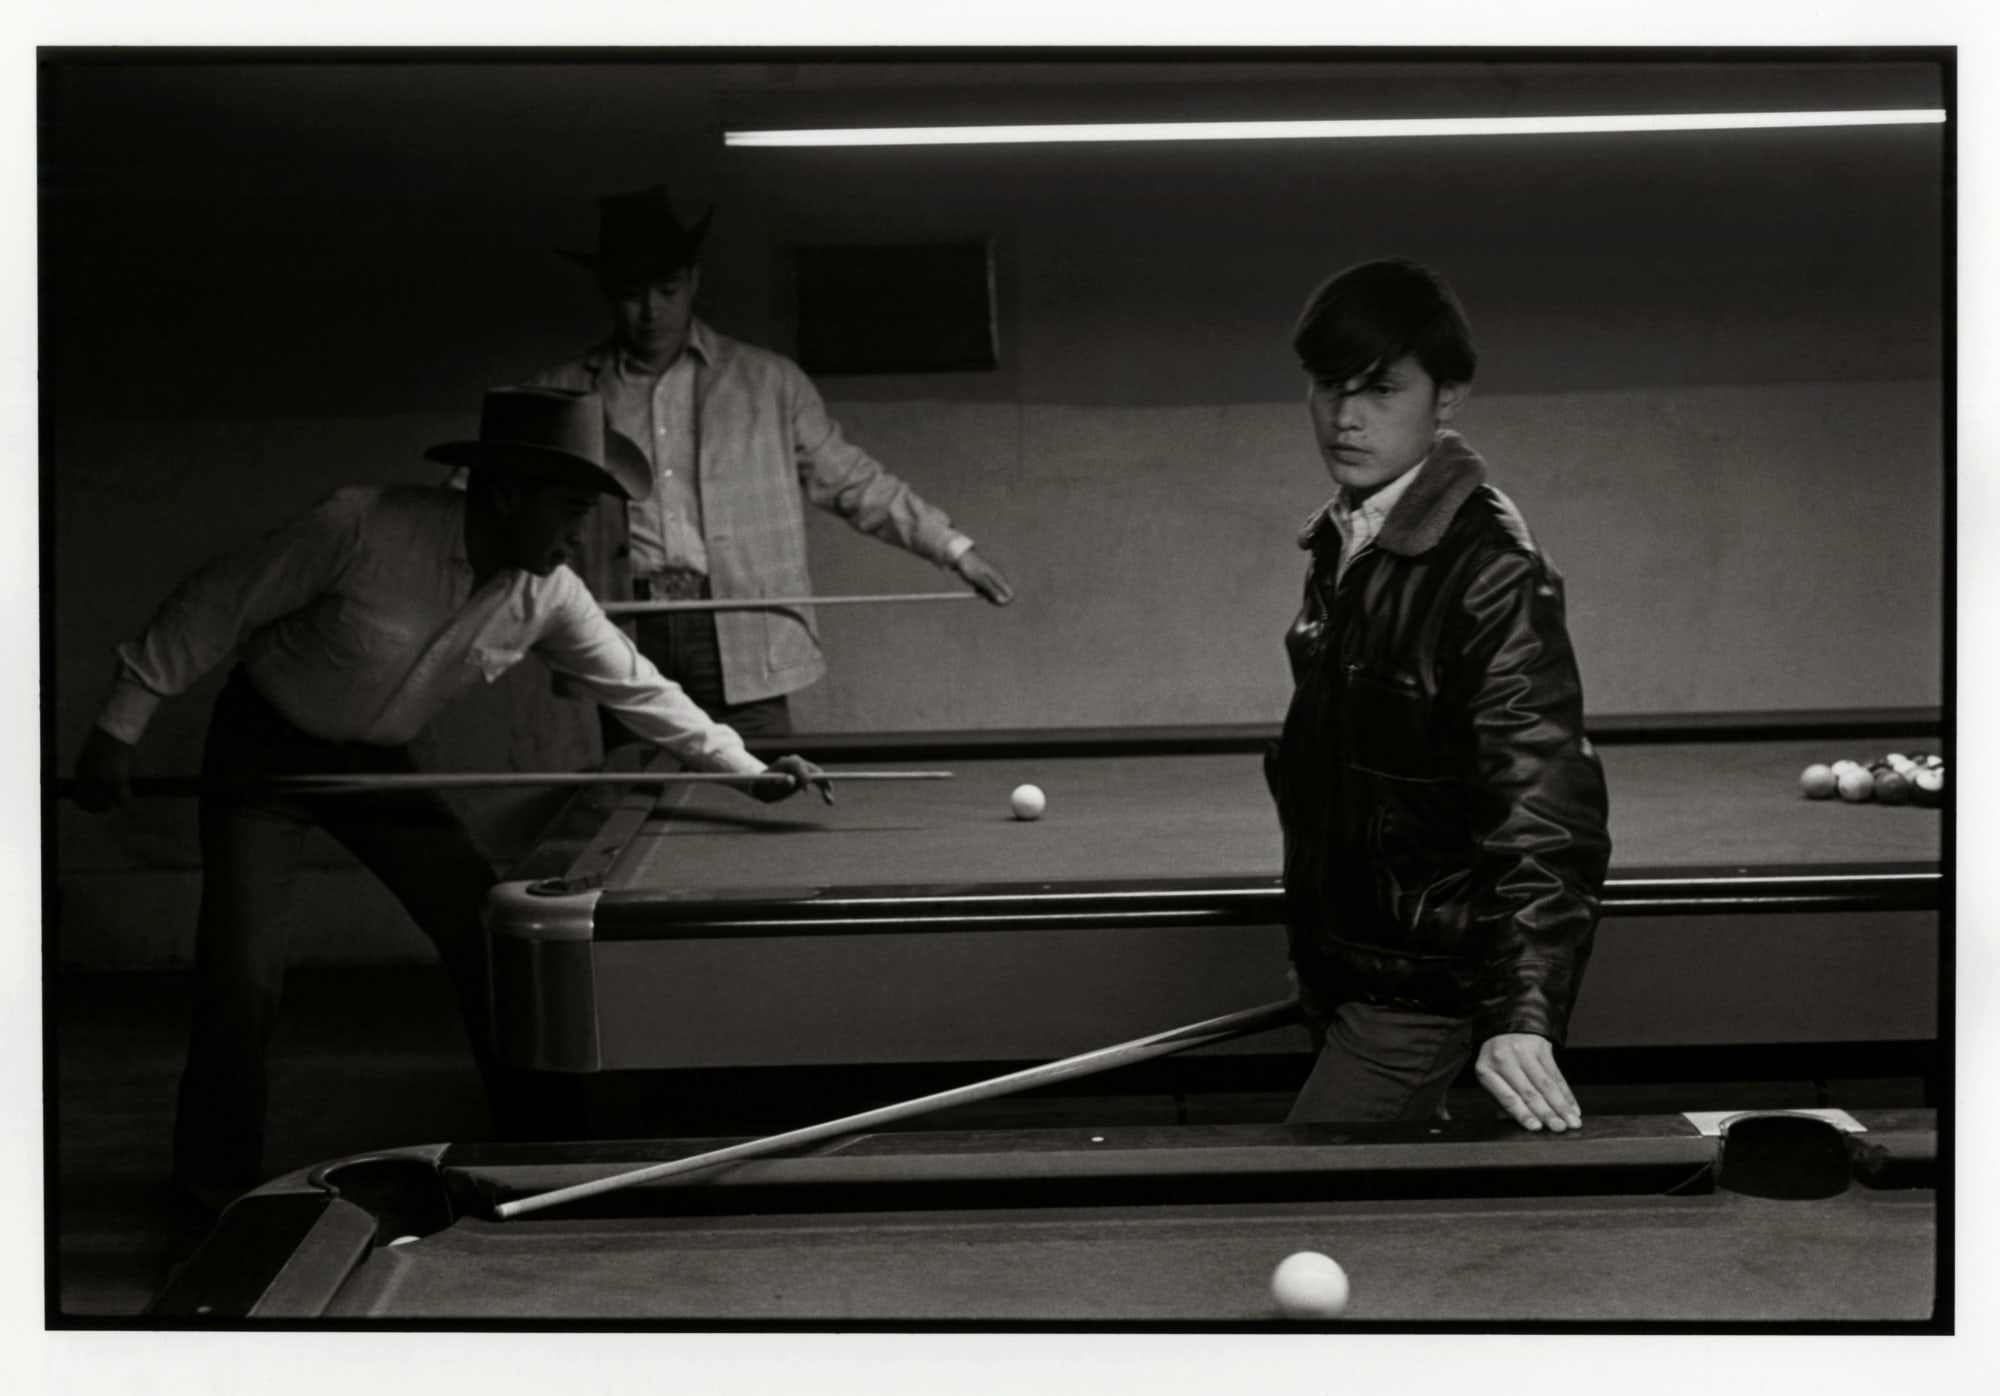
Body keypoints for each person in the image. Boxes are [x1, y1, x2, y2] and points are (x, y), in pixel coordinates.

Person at [71, 386, 830, 1218]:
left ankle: (536, 1163)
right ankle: (208, 1202)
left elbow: (641, 689)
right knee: (242, 980)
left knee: (487, 935)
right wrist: (121, 722)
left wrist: (749, 769)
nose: (581, 535)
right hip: (264, 756)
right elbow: (220, 602)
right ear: (505, 495)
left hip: (379, 763)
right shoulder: (357, 525)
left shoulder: (550, 592)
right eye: (570, 510)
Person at [1267, 259, 1612, 1131]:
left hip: (1420, 987)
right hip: (1347, 971)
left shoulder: (1487, 571)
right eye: (1327, 386)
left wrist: (1522, 1016)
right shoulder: (1346, 541)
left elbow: (1546, 814)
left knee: (1306, 1194)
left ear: (1446, 397)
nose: (1347, 417)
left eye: (1382, 389)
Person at [527, 184, 1015, 741]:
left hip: (742, 629)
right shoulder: (563, 393)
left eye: (667, 288)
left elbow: (850, 479)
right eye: (633, 293)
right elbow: (495, 499)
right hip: (623, 627)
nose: (652, 311)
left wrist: (954, 549)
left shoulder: (769, 381)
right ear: (608, 292)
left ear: (694, 281)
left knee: (766, 786)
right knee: (639, 799)